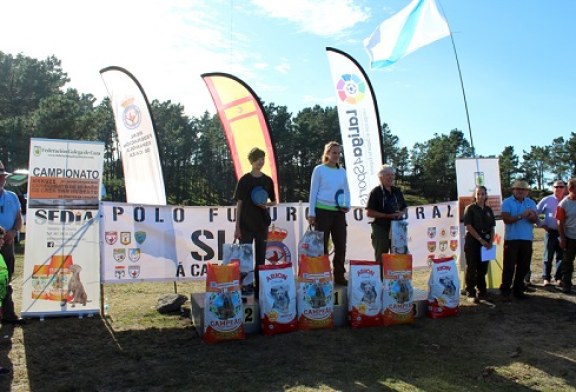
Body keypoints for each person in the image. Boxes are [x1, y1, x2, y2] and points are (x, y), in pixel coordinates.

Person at [233, 148, 276, 296]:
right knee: (245, 258)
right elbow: (239, 204)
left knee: (260, 259)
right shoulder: (244, 180)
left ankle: (260, 288)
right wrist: (237, 226)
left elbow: (274, 202)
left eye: (263, 158)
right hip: (245, 225)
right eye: (258, 158)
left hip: (262, 224)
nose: (261, 161)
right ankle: (246, 286)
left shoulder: (268, 180)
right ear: (251, 160)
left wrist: (266, 205)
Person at [308, 141, 350, 286]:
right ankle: (323, 276)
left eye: (339, 153)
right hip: (322, 212)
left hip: (339, 212)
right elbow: (313, 192)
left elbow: (346, 190)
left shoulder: (342, 171)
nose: (337, 155)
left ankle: (339, 275)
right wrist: (311, 212)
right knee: (322, 246)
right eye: (334, 152)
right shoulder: (319, 169)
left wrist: (347, 205)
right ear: (327, 153)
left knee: (341, 245)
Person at [500, 179, 538, 300]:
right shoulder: (507, 202)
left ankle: (518, 289)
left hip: (526, 239)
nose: (520, 191)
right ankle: (505, 290)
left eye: (523, 189)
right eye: (518, 189)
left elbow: (535, 219)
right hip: (512, 239)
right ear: (513, 190)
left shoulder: (531, 202)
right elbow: (506, 219)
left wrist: (532, 216)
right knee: (509, 266)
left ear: (527, 192)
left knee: (524, 266)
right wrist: (522, 215)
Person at [366, 165, 407, 268]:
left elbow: (405, 207)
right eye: (388, 175)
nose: (391, 177)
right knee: (382, 257)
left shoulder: (397, 191)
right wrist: (387, 215)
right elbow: (369, 213)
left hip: (397, 228)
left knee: (399, 255)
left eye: (392, 175)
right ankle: (381, 282)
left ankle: (397, 282)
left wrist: (401, 213)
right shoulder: (375, 192)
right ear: (381, 177)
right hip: (381, 228)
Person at [0, 161, 24, 324]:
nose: (0, 180)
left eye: (2, 177)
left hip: (7, 243)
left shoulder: (12, 196)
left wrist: (14, 232)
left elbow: (18, 219)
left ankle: (8, 314)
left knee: (6, 278)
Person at [462, 186, 496, 303]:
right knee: (472, 267)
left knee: (483, 269)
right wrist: (480, 240)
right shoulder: (469, 209)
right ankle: (470, 292)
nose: (480, 196)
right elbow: (468, 226)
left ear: (486, 195)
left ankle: (482, 291)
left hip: (486, 244)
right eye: (478, 194)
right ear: (475, 195)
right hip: (473, 243)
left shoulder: (488, 210)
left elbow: (492, 227)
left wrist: (491, 241)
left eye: (483, 194)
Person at [536, 179, 567, 286]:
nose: (558, 189)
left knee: (561, 256)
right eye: (556, 187)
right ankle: (546, 278)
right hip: (551, 232)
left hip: (564, 233)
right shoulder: (546, 200)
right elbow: (535, 213)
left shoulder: (568, 200)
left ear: (565, 188)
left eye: (561, 187)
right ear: (552, 188)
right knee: (548, 256)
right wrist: (541, 224)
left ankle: (558, 278)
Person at [556, 178, 576, 294]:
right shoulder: (563, 204)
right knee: (567, 263)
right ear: (571, 189)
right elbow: (559, 222)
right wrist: (562, 239)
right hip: (569, 238)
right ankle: (567, 284)